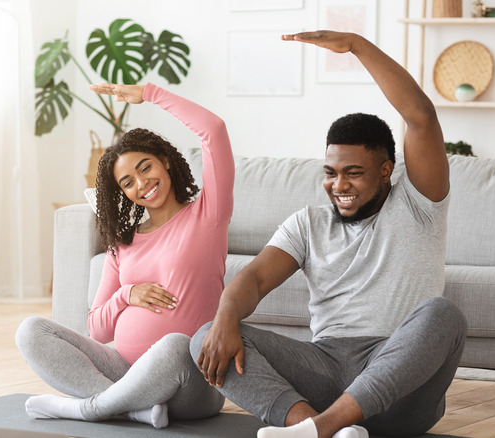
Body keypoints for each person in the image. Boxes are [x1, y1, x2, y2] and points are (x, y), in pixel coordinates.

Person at [191, 30, 467, 438]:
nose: (339, 185)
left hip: (401, 388)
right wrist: (225, 318)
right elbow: (254, 278)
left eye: (353, 173)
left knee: (444, 314)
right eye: (331, 173)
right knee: (205, 335)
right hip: (327, 368)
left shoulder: (419, 204)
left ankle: (322, 427)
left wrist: (356, 45)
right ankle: (315, 428)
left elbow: (421, 116)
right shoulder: (308, 223)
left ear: (386, 171)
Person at [15, 82, 234, 428]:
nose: (141, 184)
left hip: (190, 380)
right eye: (128, 182)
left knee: (175, 345)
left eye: (145, 168)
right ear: (124, 194)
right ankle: (133, 409)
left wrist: (150, 94)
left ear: (164, 161)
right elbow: (96, 329)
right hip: (122, 371)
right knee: (30, 330)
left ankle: (87, 408)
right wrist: (126, 295)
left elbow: (214, 130)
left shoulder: (208, 215)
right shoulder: (123, 244)